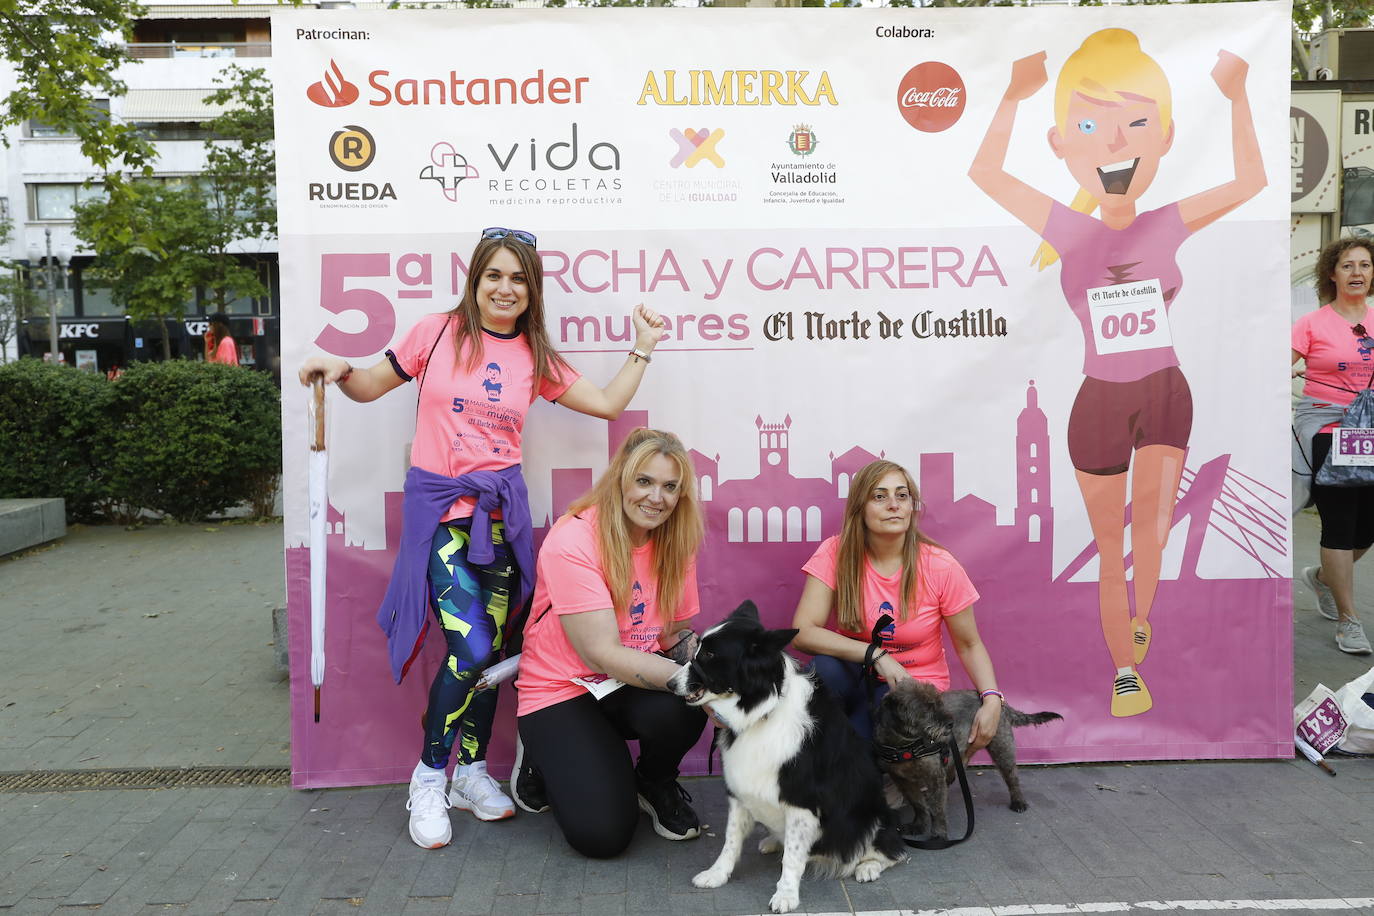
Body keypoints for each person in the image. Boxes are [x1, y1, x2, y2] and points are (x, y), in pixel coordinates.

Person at [298, 227, 667, 850]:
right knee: (469, 653)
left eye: (518, 278)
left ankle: (470, 771)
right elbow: (367, 386)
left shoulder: (535, 356)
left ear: (531, 291)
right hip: (442, 516)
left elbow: (605, 404)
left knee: (492, 651)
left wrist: (643, 347)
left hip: (500, 520)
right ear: (476, 279)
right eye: (494, 275)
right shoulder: (435, 332)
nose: (505, 287)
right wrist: (340, 369)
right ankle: (428, 777)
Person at [967, 29, 1265, 716]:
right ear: (1061, 145)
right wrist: (1011, 95)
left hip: (1164, 393)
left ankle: (1140, 615)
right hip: (1098, 400)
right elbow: (986, 176)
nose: (1113, 142)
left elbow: (1251, 181)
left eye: (1134, 123)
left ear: (1163, 136)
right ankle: (1126, 668)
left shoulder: (1168, 221)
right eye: (1090, 125)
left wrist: (1238, 93)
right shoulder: (1067, 231)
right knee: (1110, 547)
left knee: (1153, 531)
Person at [514, 428, 707, 858]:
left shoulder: (677, 541)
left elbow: (672, 636)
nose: (657, 497)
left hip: (626, 682)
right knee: (603, 837)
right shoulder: (574, 539)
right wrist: (696, 683)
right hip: (562, 689)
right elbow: (600, 653)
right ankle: (542, 757)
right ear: (620, 478)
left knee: (684, 711)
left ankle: (653, 782)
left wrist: (724, 677)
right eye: (645, 481)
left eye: (670, 487)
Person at [791, 459, 1004, 759]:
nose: (894, 504)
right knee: (823, 672)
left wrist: (992, 700)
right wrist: (876, 655)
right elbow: (803, 632)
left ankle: (894, 768)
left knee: (865, 753)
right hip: (860, 669)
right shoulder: (835, 552)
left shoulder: (940, 565)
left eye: (902, 495)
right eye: (880, 496)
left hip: (912, 684)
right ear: (859, 508)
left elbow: (969, 645)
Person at [1293, 238, 1374, 656]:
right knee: (1340, 523)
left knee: (1368, 528)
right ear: (1332, 273)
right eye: (1347, 266)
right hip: (1330, 427)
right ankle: (1349, 620)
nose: (1356, 272)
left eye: (1364, 265)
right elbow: (1276, 366)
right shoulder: (1312, 323)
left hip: (1372, 431)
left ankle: (1324, 579)